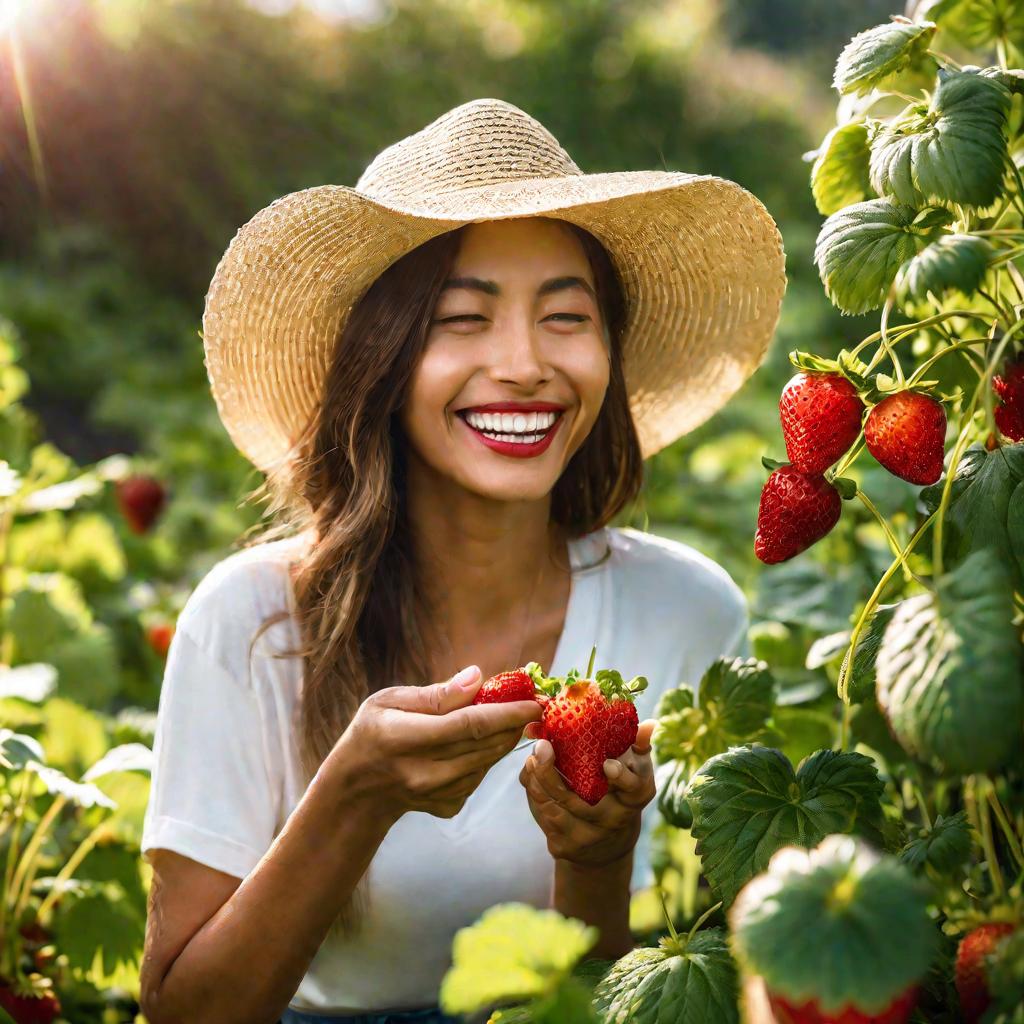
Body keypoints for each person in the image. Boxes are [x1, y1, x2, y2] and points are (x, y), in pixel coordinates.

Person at [138, 97, 786, 1024]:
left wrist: (595, 860)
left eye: (567, 316)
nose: (524, 364)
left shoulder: (685, 609)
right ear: (384, 360)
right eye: (462, 319)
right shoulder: (251, 622)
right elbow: (179, 1014)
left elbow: (605, 998)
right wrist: (353, 796)